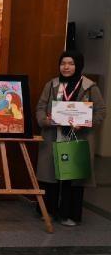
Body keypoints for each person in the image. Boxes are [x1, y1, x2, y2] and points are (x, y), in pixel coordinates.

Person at [36, 50, 106, 226]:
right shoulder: (51, 85)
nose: (66, 67)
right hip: (54, 136)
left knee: (72, 178)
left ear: (78, 65)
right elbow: (40, 108)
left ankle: (69, 214)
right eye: (63, 63)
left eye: (71, 64)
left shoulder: (90, 87)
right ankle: (49, 210)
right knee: (51, 176)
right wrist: (46, 120)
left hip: (77, 138)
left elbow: (101, 111)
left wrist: (85, 122)